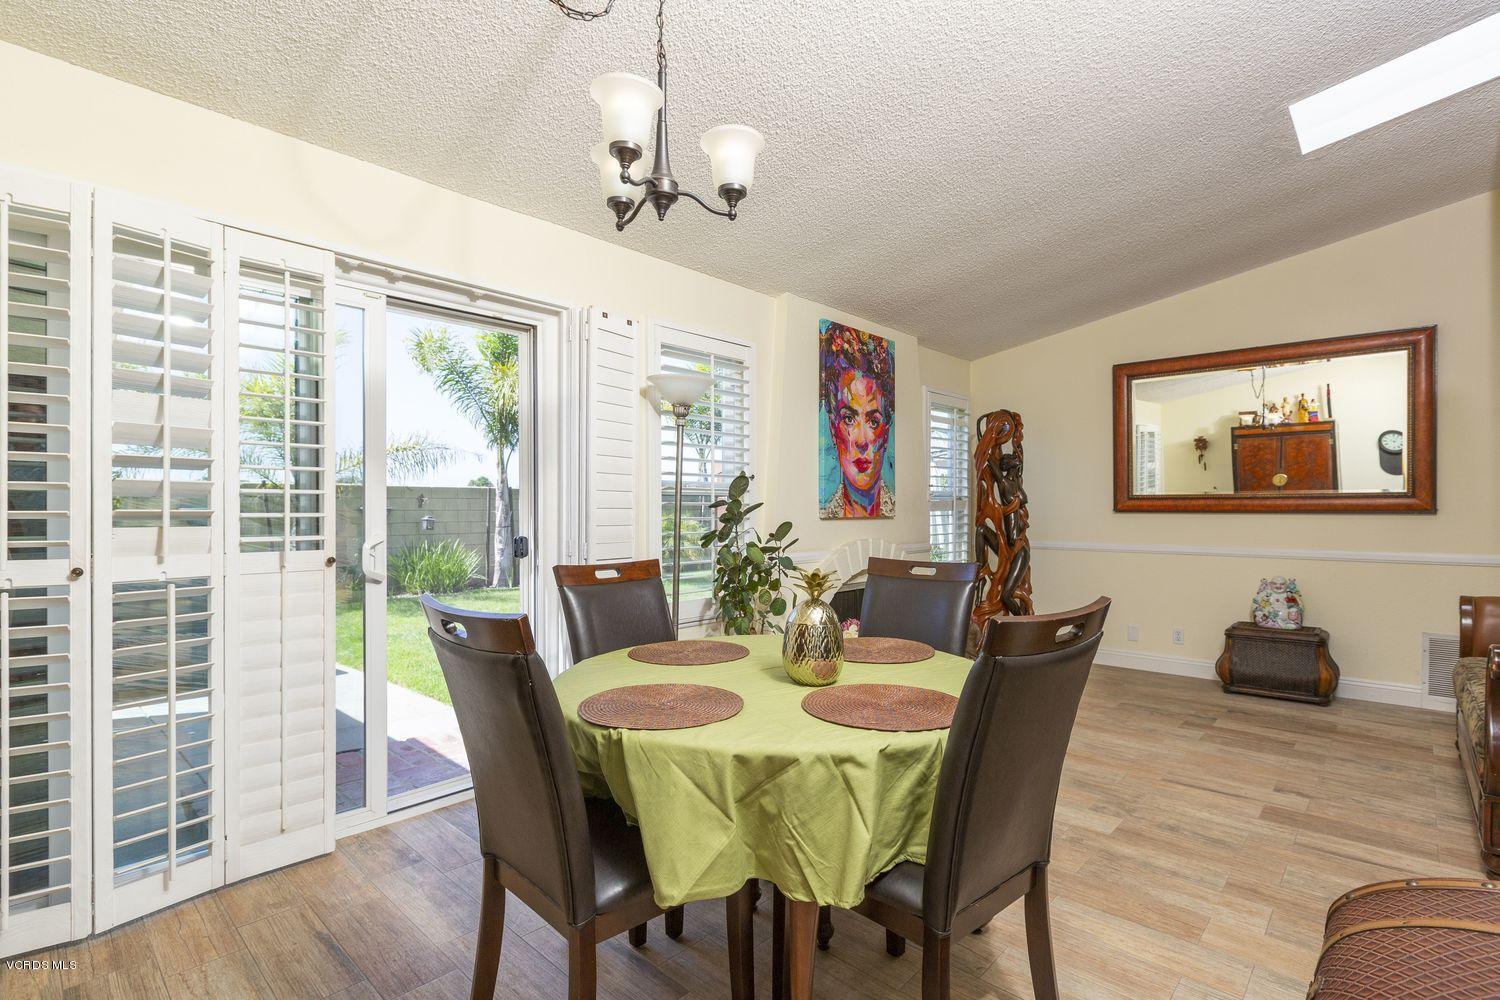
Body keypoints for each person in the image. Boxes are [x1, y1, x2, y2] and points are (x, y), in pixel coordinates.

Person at [818, 322, 895, 518]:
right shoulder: (827, 512)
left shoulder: (895, 510)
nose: (862, 441)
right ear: (833, 428)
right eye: (849, 419)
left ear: (886, 432)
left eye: (873, 422)